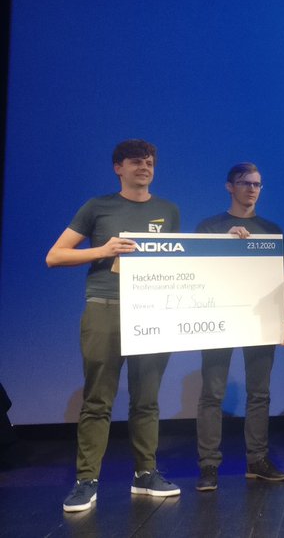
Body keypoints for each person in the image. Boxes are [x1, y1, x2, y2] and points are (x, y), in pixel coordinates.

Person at [47, 139, 182, 512]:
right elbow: (54, 255)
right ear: (118, 167)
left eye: (150, 161)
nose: (145, 167)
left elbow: (179, 259)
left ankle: (145, 474)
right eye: (136, 161)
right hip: (106, 308)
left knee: (147, 399)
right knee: (97, 400)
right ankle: (86, 481)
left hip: (153, 311)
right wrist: (102, 251)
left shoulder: (168, 210)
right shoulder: (98, 207)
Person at [194, 163, 284, 491]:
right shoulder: (210, 227)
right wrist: (225, 243)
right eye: (245, 183)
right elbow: (196, 272)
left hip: (259, 318)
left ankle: (257, 461)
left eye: (257, 184)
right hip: (220, 317)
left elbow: (280, 278)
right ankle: (209, 466)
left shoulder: (270, 229)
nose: (252, 189)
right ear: (230, 187)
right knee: (212, 393)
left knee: (259, 393)